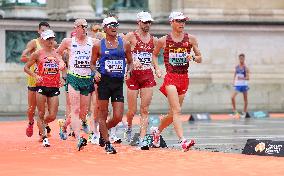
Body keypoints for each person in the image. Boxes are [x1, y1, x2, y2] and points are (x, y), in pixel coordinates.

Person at [151, 12, 202, 152]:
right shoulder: (164, 40)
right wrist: (157, 69)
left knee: (173, 113)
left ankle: (156, 130)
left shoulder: (191, 39)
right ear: (171, 22)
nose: (182, 23)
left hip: (184, 78)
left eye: (183, 21)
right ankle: (182, 141)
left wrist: (191, 56)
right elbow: (154, 55)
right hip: (171, 78)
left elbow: (200, 58)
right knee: (177, 111)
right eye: (178, 21)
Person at [91, 17, 136, 154]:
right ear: (105, 28)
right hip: (104, 82)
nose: (114, 27)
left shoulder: (125, 44)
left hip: (117, 83)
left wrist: (128, 72)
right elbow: (92, 64)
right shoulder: (98, 45)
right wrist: (95, 72)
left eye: (116, 24)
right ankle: (108, 143)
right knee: (103, 114)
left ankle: (102, 132)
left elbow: (130, 62)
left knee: (117, 117)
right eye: (110, 25)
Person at [57, 19, 98, 151]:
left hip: (87, 79)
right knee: (75, 109)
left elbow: (105, 52)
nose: (84, 29)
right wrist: (61, 63)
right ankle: (79, 138)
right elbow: (57, 53)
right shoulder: (68, 41)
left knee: (82, 113)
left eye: (85, 26)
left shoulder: (94, 42)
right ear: (75, 28)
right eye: (81, 26)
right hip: (73, 78)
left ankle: (64, 125)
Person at [24, 29, 65, 147]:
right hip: (41, 86)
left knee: (52, 115)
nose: (50, 41)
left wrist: (63, 77)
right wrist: (35, 75)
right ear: (42, 40)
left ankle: (40, 124)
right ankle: (44, 136)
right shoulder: (37, 53)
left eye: (52, 38)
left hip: (54, 86)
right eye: (48, 39)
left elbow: (63, 66)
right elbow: (26, 68)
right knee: (41, 112)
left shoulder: (57, 53)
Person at [124, 11, 157, 150]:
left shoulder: (153, 40)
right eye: (144, 22)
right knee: (132, 110)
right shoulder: (131, 36)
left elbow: (154, 56)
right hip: (133, 75)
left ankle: (142, 139)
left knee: (144, 109)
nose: (147, 25)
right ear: (138, 22)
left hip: (147, 76)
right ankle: (130, 126)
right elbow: (121, 52)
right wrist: (131, 60)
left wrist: (157, 68)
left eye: (149, 22)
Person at [21, 21, 52, 138]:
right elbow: (23, 57)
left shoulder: (50, 44)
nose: (44, 33)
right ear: (39, 31)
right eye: (42, 30)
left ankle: (42, 130)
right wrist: (35, 59)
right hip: (34, 79)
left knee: (44, 107)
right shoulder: (34, 43)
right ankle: (30, 122)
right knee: (31, 108)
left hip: (46, 80)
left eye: (46, 31)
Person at [231, 53, 250, 118]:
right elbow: (235, 75)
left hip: (244, 85)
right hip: (238, 85)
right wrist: (233, 82)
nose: (241, 60)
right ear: (239, 59)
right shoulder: (237, 67)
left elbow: (248, 78)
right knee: (232, 97)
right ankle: (234, 111)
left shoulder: (246, 68)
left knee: (245, 99)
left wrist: (241, 78)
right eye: (240, 58)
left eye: (242, 58)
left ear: (244, 59)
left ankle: (244, 112)